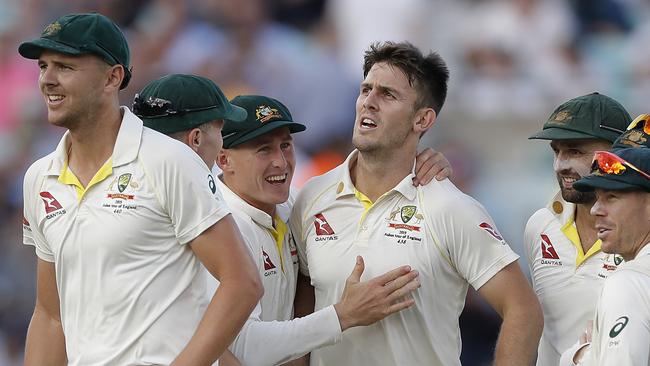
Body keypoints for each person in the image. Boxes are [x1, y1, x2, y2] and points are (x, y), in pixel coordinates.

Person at [136, 79, 451, 365]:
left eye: (285, 145)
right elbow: (244, 349)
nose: (280, 161)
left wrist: (415, 160)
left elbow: (353, 189)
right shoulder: (219, 226)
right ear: (224, 159)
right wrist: (342, 315)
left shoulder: (291, 205)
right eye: (263, 149)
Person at [19, 13, 262, 366]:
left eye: (65, 67)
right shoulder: (39, 177)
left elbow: (242, 283)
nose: (47, 80)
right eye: (43, 67)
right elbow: (49, 315)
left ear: (112, 77)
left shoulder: (169, 160)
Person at [290, 41, 542, 365]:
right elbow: (302, 303)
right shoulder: (312, 196)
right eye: (366, 89)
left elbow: (524, 310)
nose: (369, 102)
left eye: (388, 95)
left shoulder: (451, 208)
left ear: (423, 119)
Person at [526, 92, 631, 365]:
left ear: (618, 153)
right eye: (556, 151)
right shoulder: (540, 225)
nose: (561, 165)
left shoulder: (641, 235)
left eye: (575, 150)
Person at [559, 126, 650, 365]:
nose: (595, 209)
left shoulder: (628, 284)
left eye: (612, 197)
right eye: (598, 197)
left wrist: (578, 358)